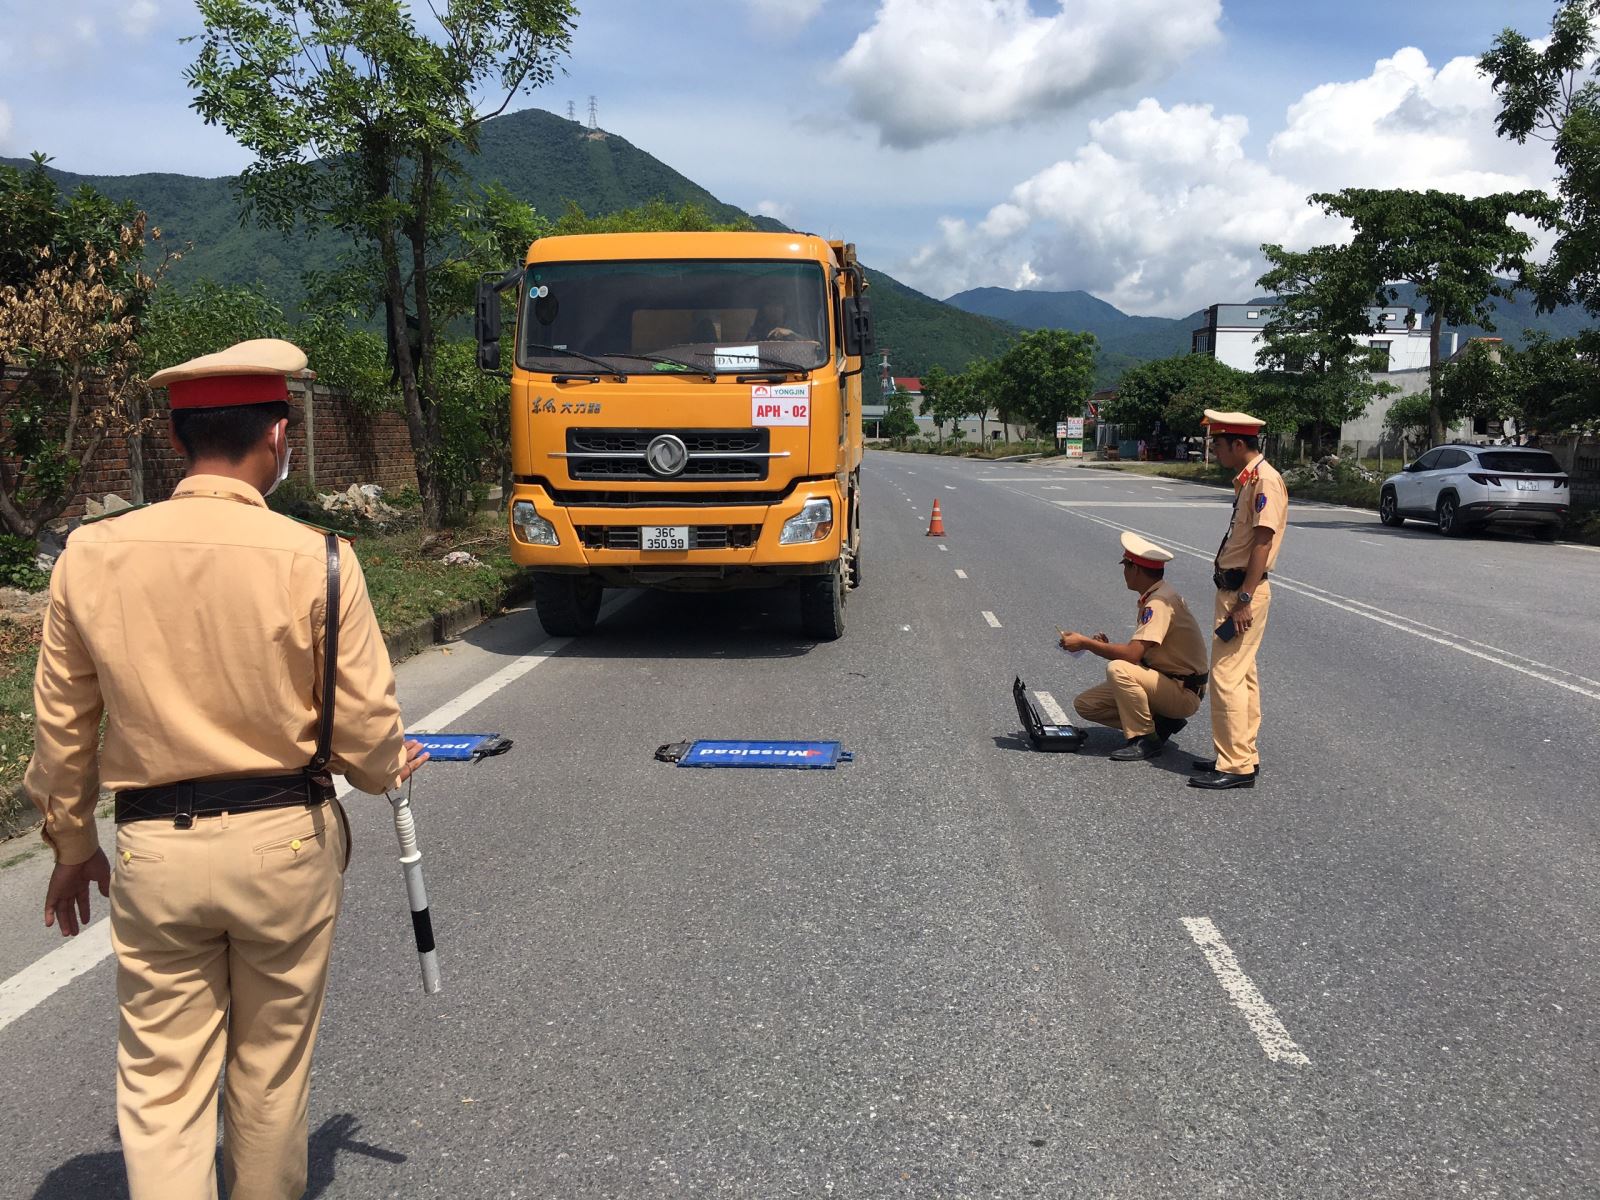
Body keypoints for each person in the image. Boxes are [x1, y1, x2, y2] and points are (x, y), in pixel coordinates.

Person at [25, 338, 431, 1200]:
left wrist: (71, 844)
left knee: (161, 1083)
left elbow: (63, 726)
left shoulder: (90, 555)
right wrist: (389, 766)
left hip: (155, 852)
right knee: (269, 1073)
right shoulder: (320, 556)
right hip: (285, 844)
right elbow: (367, 735)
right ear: (279, 436)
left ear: (178, 439)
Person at [1189, 408, 1288, 791]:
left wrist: (1245, 598)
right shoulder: (1249, 480)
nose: (1214, 451)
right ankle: (1242, 753)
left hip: (1244, 593)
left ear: (1237, 444)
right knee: (1242, 676)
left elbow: (1262, 542)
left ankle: (1235, 765)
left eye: (1218, 444)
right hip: (1234, 590)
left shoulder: (1265, 481)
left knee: (1226, 677)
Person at [1062, 532, 1209, 761]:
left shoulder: (1159, 602)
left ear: (1136, 569)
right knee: (1086, 705)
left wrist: (1085, 643)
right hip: (1168, 681)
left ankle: (1146, 739)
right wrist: (1103, 647)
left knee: (1119, 669)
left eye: (1125, 566)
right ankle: (1160, 722)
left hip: (1183, 692)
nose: (1124, 572)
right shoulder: (1157, 594)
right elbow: (1145, 654)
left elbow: (1132, 655)